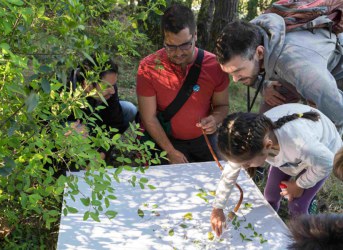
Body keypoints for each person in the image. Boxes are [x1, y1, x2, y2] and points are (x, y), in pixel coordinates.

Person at [210, 103, 343, 237]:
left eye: (247, 164)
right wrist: (218, 207)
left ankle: (304, 238)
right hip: (290, 156)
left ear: (267, 146)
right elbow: (229, 174)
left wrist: (299, 185)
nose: (243, 167)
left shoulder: (301, 144)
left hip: (322, 157)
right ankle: (268, 233)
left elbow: (326, 162)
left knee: (297, 205)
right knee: (270, 196)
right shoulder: (249, 140)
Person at [215, 14, 343, 134]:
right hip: (304, 74)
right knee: (265, 126)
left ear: (260, 53)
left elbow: (338, 113)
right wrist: (263, 84)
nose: (235, 79)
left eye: (238, 71)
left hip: (335, 76)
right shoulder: (253, 36)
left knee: (324, 129)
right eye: (230, 73)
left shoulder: (297, 66)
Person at [136, 4, 229, 164]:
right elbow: (148, 117)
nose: (178, 53)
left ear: (195, 36)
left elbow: (222, 106)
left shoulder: (214, 65)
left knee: (219, 177)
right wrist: (170, 151)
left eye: (185, 45)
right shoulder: (149, 67)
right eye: (170, 46)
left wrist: (215, 119)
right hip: (165, 140)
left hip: (203, 139)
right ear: (164, 39)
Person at [67, 55, 137, 159]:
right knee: (76, 129)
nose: (112, 91)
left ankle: (95, 150)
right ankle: (71, 159)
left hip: (94, 123)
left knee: (129, 109)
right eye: (107, 86)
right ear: (88, 83)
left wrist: (102, 153)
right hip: (73, 126)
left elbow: (115, 123)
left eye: (113, 85)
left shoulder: (111, 90)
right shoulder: (67, 87)